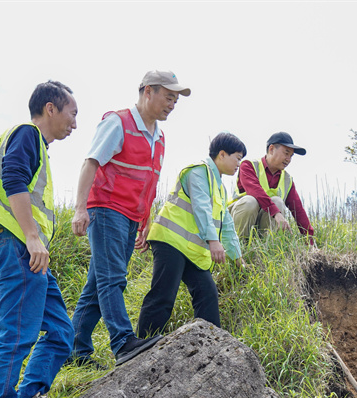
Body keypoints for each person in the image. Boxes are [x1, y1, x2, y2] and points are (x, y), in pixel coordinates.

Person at [0, 80, 78, 398]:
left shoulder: (39, 147)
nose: (74, 123)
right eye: (72, 113)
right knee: (17, 331)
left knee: (62, 332)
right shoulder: (27, 134)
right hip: (16, 245)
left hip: (28, 250)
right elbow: (12, 177)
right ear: (51, 108)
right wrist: (32, 236)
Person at [68, 70, 190, 368]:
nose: (172, 104)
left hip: (131, 217)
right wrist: (80, 208)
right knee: (113, 279)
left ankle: (74, 351)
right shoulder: (118, 122)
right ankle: (123, 342)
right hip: (107, 209)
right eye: (168, 96)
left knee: (97, 286)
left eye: (176, 99)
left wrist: (145, 220)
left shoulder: (159, 136)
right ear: (148, 91)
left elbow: (149, 181)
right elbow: (91, 163)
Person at [137, 133, 246, 336]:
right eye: (237, 158)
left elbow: (227, 224)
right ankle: (142, 346)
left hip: (191, 251)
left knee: (208, 295)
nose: (239, 164)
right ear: (222, 154)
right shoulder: (198, 171)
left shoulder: (220, 187)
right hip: (170, 241)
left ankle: (213, 346)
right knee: (163, 296)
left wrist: (238, 258)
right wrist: (213, 241)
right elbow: (201, 208)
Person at [228, 131, 315, 245]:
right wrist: (276, 213)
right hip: (237, 221)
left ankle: (264, 249)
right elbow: (255, 191)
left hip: (261, 226)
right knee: (250, 201)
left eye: (291, 156)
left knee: (277, 202)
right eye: (286, 153)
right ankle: (237, 247)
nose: (288, 159)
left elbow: (298, 210)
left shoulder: (287, 180)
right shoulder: (248, 166)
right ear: (271, 149)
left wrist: (310, 241)